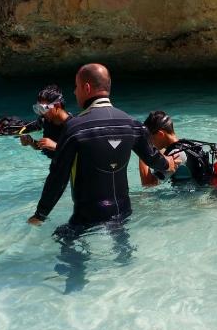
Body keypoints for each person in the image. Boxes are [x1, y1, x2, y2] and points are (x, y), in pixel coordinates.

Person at [27, 64, 181, 227]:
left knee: (61, 238)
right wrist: (168, 163)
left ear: (87, 88)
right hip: (123, 211)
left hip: (87, 216)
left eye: (76, 86)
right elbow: (152, 158)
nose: (74, 92)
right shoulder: (133, 125)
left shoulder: (74, 128)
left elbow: (58, 178)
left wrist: (40, 215)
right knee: (121, 242)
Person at [140, 110, 217, 189]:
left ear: (160, 134)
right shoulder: (189, 145)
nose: (149, 141)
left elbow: (149, 183)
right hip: (201, 194)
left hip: (194, 203)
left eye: (149, 137)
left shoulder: (176, 154)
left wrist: (143, 152)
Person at [20, 84, 71, 160]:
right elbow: (46, 147)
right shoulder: (47, 121)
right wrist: (31, 142)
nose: (41, 113)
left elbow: (79, 152)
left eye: (42, 109)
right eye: (38, 109)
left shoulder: (72, 126)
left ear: (57, 105)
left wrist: (55, 147)